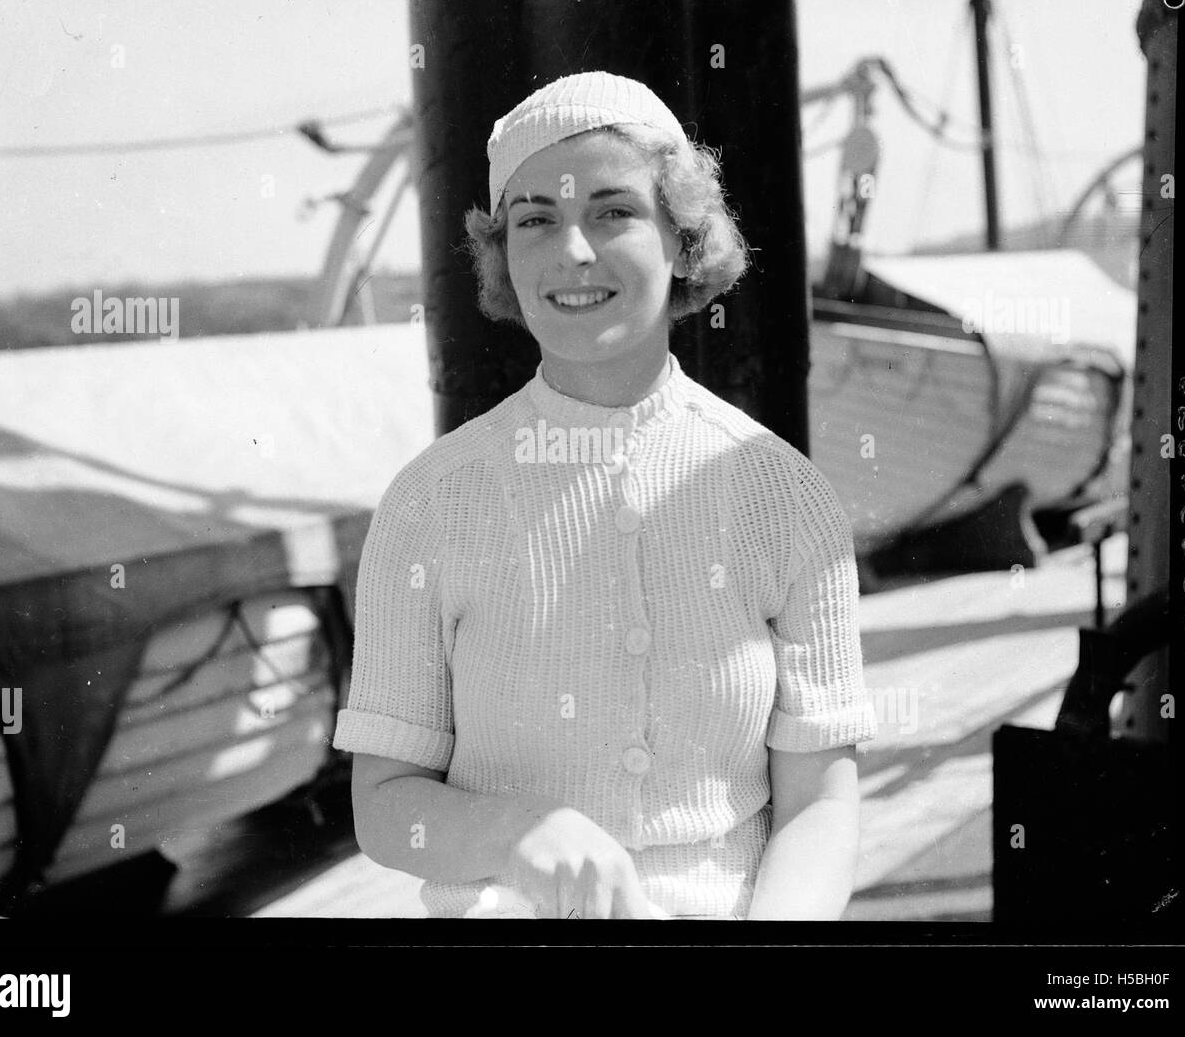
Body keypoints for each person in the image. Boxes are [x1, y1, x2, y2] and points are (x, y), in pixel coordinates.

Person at [335, 70, 878, 919]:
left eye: (613, 210)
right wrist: (517, 833)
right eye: (536, 221)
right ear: (502, 259)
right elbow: (385, 807)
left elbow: (820, 803)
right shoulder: (428, 503)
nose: (573, 251)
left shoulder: (788, 497)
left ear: (683, 236)